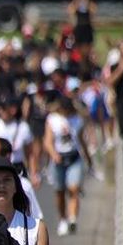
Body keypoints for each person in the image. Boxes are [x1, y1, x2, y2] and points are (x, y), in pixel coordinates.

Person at [44, 93, 84, 236]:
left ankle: (72, 218)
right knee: (60, 191)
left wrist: (87, 158)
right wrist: (54, 154)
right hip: (59, 159)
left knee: (74, 188)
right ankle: (63, 219)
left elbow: (81, 140)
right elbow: (48, 141)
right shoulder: (52, 119)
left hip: (73, 157)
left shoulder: (77, 119)